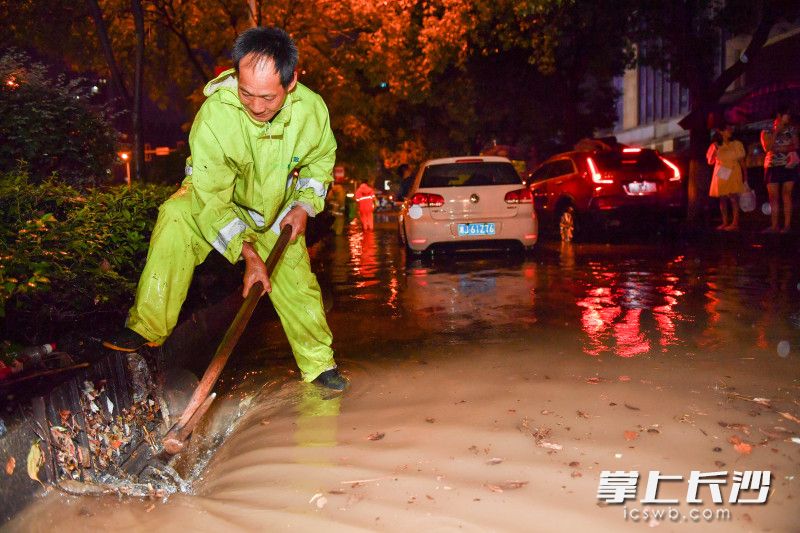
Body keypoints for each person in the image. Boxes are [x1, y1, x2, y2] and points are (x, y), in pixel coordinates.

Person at [103, 27, 348, 391]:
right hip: (213, 203)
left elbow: (319, 164)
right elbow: (211, 198)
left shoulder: (311, 111)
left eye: (268, 97)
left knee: (298, 287)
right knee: (175, 216)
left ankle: (318, 365)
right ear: (235, 77)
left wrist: (303, 206)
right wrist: (246, 254)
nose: (256, 106)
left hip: (275, 213)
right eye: (246, 93)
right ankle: (147, 326)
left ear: (291, 81)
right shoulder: (215, 117)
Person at [760, 106, 799, 233]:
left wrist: (783, 149)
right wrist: (776, 132)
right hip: (772, 165)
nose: (789, 117)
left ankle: (787, 225)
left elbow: (796, 145)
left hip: (789, 164)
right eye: (787, 114)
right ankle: (774, 225)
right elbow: (767, 148)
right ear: (779, 115)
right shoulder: (767, 130)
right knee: (773, 196)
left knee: (787, 194)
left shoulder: (792, 129)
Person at [706, 123, 746, 231]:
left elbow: (742, 161)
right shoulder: (716, 145)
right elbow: (710, 161)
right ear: (721, 131)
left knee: (733, 197)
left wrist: (745, 177)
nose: (730, 130)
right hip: (722, 171)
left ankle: (735, 222)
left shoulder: (736, 144)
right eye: (727, 129)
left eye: (730, 128)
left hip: (733, 170)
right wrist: (714, 149)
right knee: (722, 197)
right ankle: (724, 222)